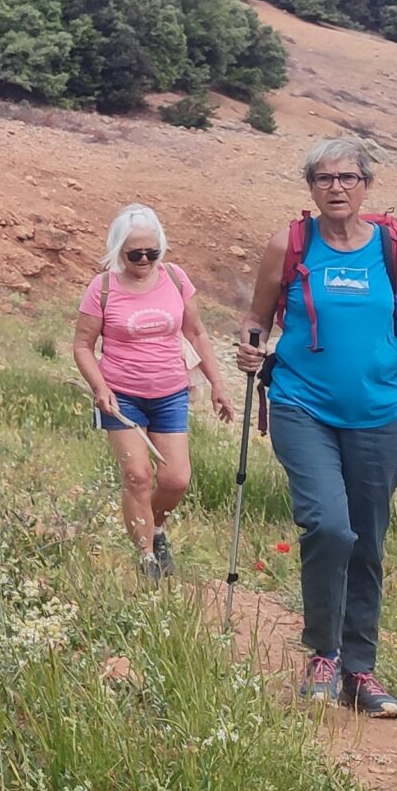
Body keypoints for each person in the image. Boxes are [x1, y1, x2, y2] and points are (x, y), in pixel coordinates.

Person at [235, 138, 397, 716]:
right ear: (311, 186)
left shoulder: (390, 247)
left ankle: (360, 669)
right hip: (300, 405)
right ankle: (322, 654)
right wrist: (249, 347)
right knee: (330, 527)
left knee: (369, 541)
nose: (336, 187)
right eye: (325, 178)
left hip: (378, 414)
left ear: (366, 186)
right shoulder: (291, 243)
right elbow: (257, 318)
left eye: (348, 177)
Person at [74, 204, 236, 580]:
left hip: (170, 392)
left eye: (152, 252)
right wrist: (99, 388)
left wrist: (217, 384)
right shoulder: (103, 289)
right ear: (119, 251)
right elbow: (83, 345)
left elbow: (196, 333)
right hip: (121, 397)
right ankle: (146, 556)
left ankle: (155, 526)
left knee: (176, 479)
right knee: (137, 476)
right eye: (135, 254)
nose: (144, 259)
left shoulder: (176, 279)